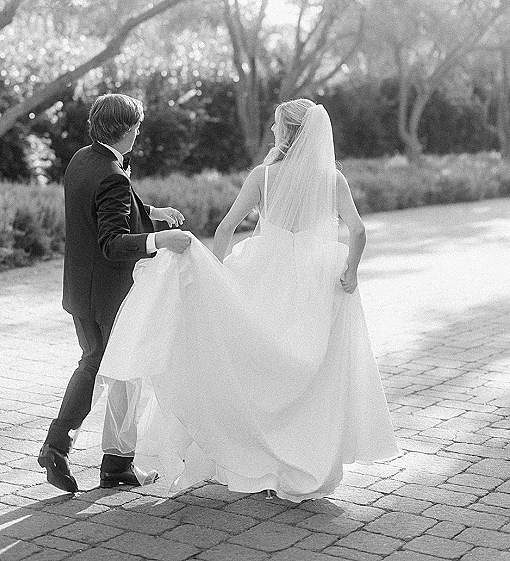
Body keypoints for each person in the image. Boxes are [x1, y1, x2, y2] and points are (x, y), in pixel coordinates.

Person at [95, 99, 399, 502]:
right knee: (315, 373)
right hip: (317, 280)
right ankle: (305, 459)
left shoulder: (265, 177)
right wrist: (351, 270)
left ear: (289, 133)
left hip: (264, 274)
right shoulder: (332, 180)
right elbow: (358, 231)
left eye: (276, 126)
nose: (272, 132)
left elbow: (224, 230)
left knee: (257, 367)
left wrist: (215, 280)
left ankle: (256, 454)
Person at [38, 93, 190, 493]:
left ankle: (85, 454)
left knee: (99, 365)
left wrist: (150, 211)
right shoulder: (112, 173)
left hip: (80, 290)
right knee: (120, 369)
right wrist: (162, 240)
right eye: (137, 125)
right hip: (110, 295)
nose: (140, 130)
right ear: (123, 129)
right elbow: (113, 241)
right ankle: (90, 456)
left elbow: (108, 197)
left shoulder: (83, 159)